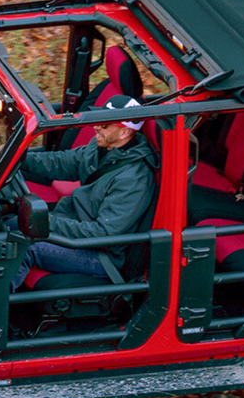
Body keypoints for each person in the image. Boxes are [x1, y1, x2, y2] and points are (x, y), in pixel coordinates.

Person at [10, 95, 158, 291]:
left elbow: (103, 233)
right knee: (8, 225)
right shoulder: (101, 147)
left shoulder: (133, 179)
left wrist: (47, 223)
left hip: (99, 255)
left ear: (124, 132)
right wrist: (17, 158)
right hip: (74, 226)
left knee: (24, 246)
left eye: (105, 125)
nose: (96, 127)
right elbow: (63, 162)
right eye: (99, 120)